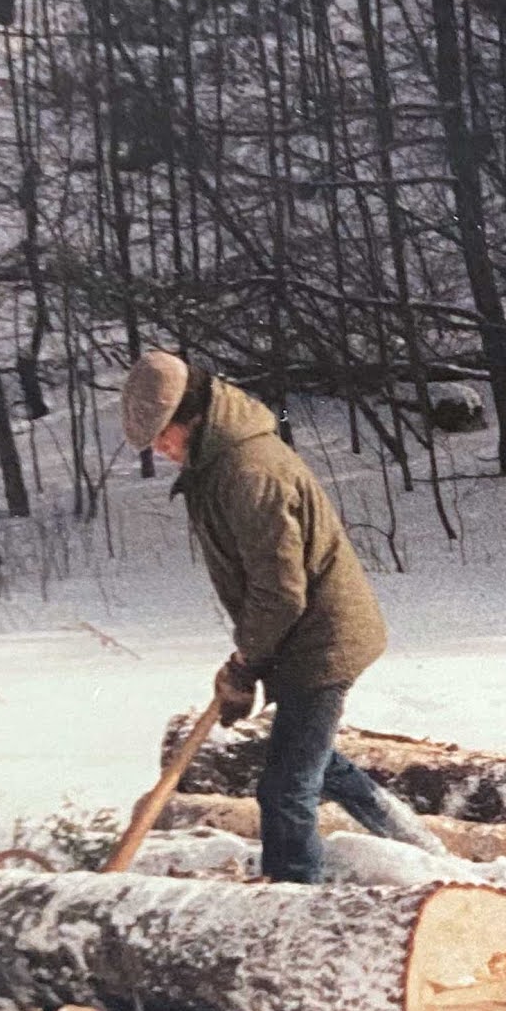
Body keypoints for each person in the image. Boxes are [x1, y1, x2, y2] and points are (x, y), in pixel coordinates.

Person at [121, 350, 407, 884]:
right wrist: (249, 661)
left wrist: (247, 662)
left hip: (324, 640)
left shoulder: (249, 470)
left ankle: (291, 910)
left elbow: (280, 592)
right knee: (311, 760)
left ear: (193, 416)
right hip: (300, 636)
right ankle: (413, 841)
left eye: (164, 435)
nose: (160, 450)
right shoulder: (219, 464)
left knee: (284, 790)